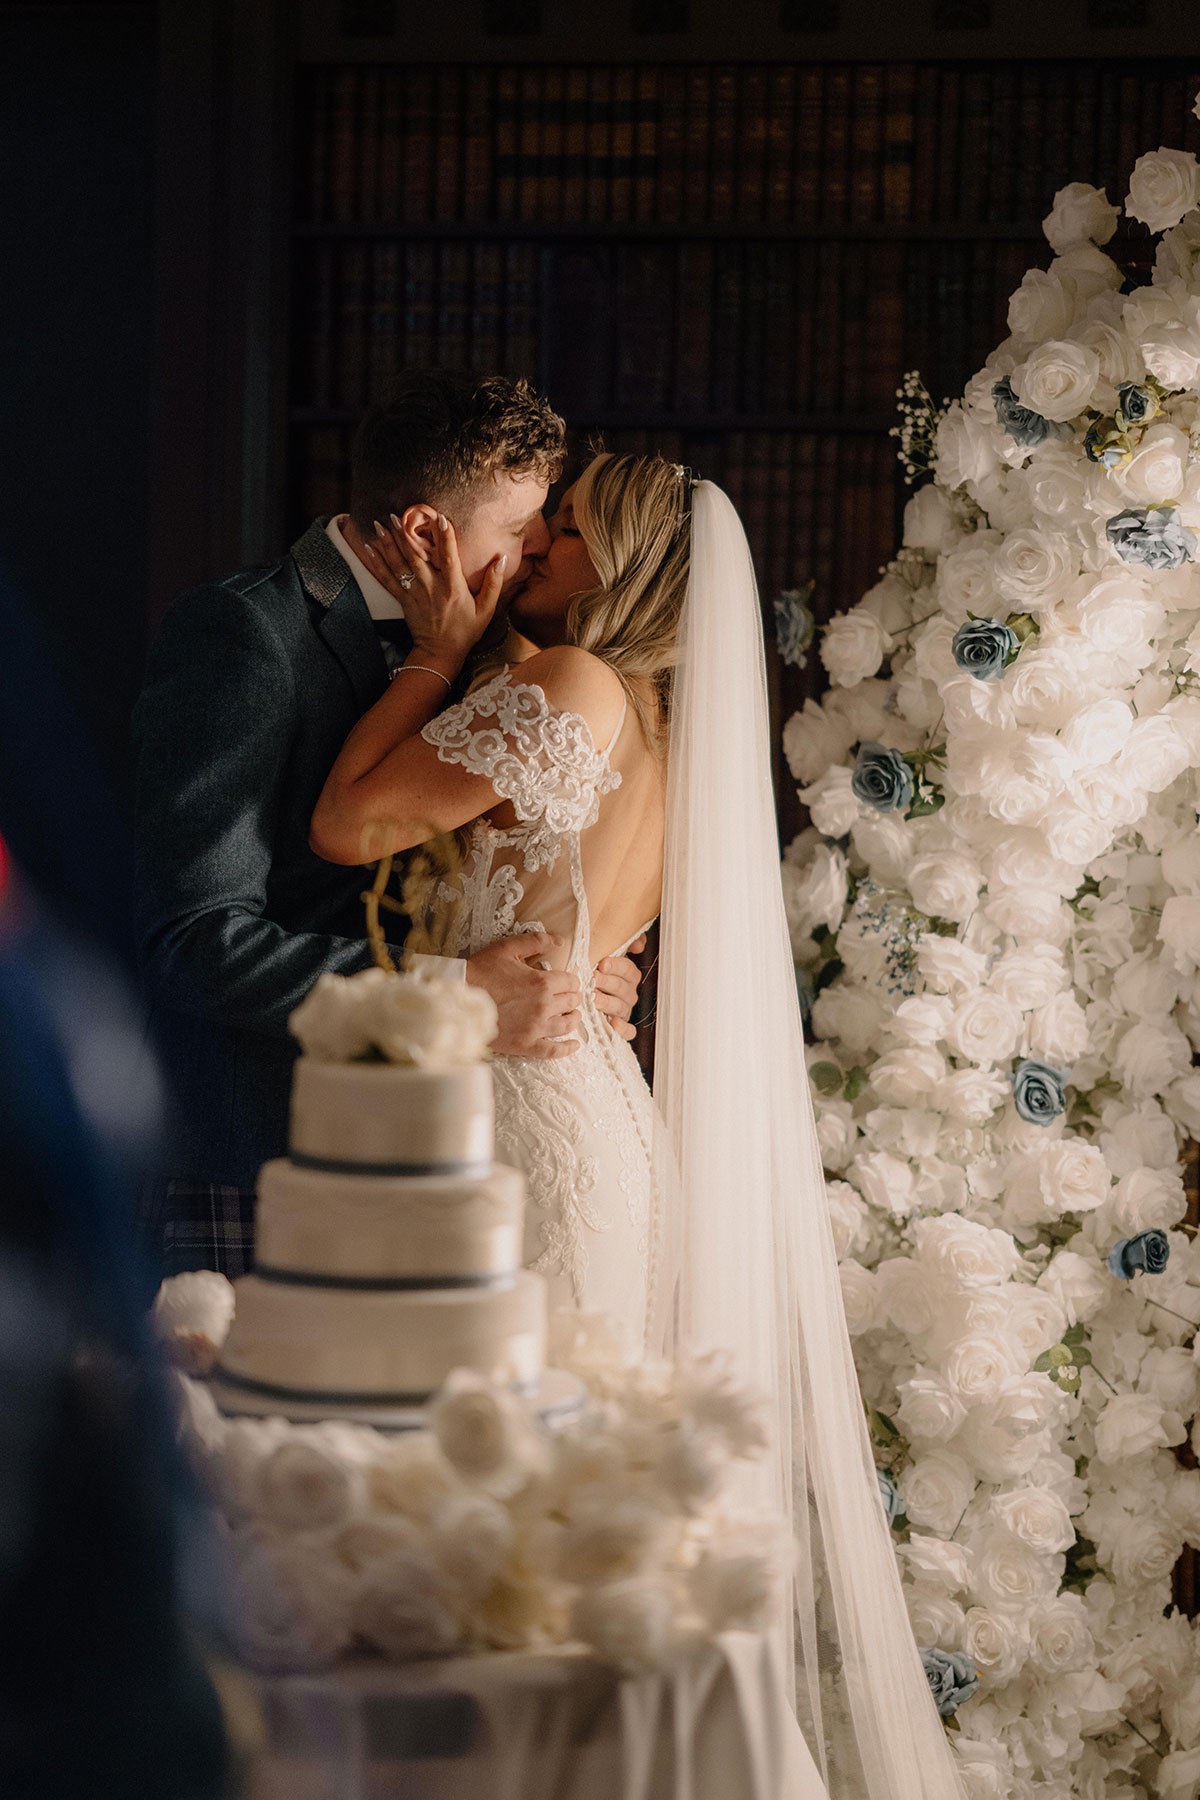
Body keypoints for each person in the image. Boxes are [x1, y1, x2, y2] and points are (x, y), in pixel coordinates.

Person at [310, 452, 968, 1800]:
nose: (542, 541)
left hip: (530, 1119)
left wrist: (435, 653)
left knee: (521, 1515)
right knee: (547, 1508)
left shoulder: (569, 688)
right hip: (579, 1096)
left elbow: (351, 823)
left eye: (570, 524)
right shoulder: (661, 725)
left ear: (627, 562)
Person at [132, 372, 643, 1278]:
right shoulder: (245, 635)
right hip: (265, 1153)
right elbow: (193, 939)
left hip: (441, 1155)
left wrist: (581, 968)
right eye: (522, 527)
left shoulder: (499, 648)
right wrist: (456, 996)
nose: (535, 552)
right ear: (424, 532)